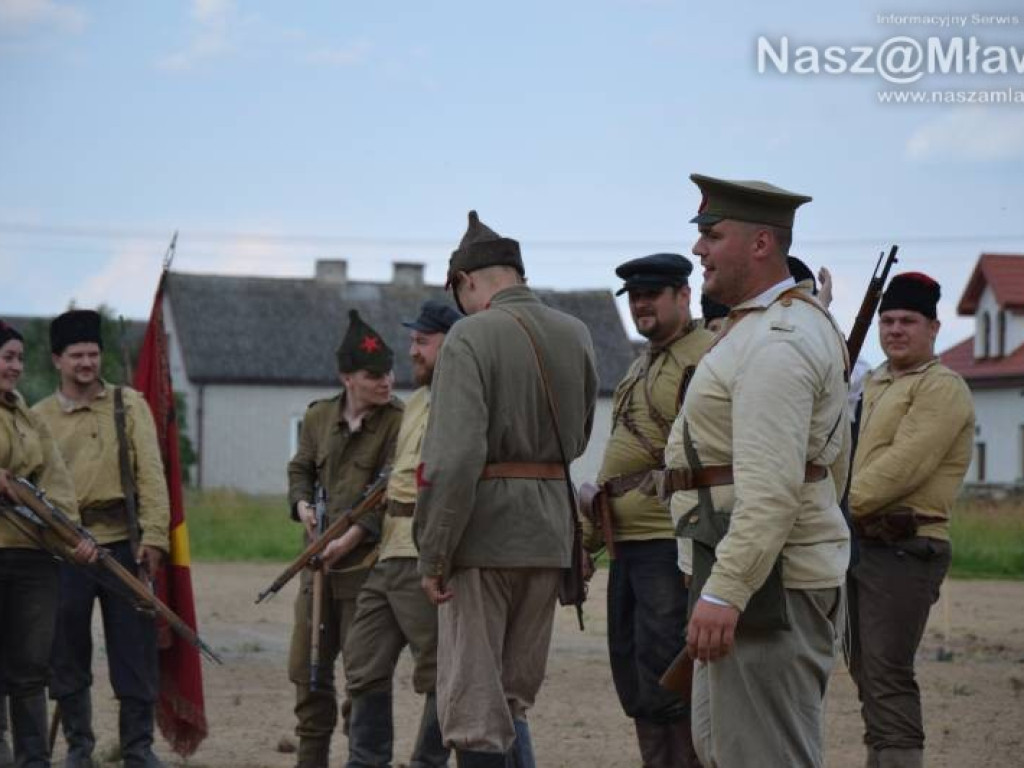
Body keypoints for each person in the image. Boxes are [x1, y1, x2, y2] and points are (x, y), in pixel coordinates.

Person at [666, 174, 851, 767]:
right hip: (755, 572)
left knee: (765, 757)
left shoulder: (778, 340)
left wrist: (727, 588)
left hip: (768, 584)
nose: (699, 250)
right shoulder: (758, 327)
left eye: (712, 235)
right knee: (727, 749)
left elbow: (772, 492)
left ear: (761, 243)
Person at [415, 210, 598, 767]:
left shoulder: (470, 337)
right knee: (512, 700)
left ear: (467, 281)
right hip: (548, 534)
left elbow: (453, 458)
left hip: (483, 538)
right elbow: (581, 434)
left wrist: (435, 552)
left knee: (474, 709)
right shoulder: (577, 332)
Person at [586, 254, 711, 767]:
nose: (641, 304)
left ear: (683, 295)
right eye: (635, 296)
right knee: (638, 683)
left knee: (670, 686)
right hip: (628, 546)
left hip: (670, 543)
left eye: (652, 294)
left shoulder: (706, 355)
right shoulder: (643, 362)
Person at [848, 273, 974, 768]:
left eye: (908, 321)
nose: (895, 330)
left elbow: (904, 466)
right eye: (888, 320)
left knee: (888, 674)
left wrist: (834, 509)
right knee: (868, 675)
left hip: (907, 546)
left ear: (933, 327)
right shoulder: (875, 383)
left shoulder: (943, 388)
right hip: (864, 543)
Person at [34, 310, 169, 768]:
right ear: (57, 360)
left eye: (93, 353)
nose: (87, 363)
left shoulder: (129, 405)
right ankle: (79, 748)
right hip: (62, 549)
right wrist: (60, 540)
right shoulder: (38, 418)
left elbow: (152, 475)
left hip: (123, 547)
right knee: (66, 651)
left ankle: (138, 748)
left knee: (135, 651)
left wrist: (154, 538)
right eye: (77, 355)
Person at [341, 301, 461, 768]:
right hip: (388, 551)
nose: (412, 351)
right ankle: (366, 761)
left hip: (424, 551)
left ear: (450, 344)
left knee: (437, 671)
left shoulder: (463, 399)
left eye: (422, 341)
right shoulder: (414, 403)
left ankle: (427, 763)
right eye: (413, 340)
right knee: (363, 663)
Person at [286, 310, 404, 768]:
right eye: (374, 374)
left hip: (366, 574)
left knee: (364, 678)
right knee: (309, 673)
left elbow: (392, 490)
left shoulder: (400, 421)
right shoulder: (318, 417)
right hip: (316, 570)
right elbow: (300, 468)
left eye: (390, 372)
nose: (386, 382)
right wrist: (301, 505)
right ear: (347, 377)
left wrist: (352, 536)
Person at [0, 319, 96, 768]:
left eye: (19, 357)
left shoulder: (27, 416)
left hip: (35, 557)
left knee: (31, 669)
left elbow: (55, 485)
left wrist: (70, 536)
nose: (15, 366)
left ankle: (33, 761)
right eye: (7, 357)